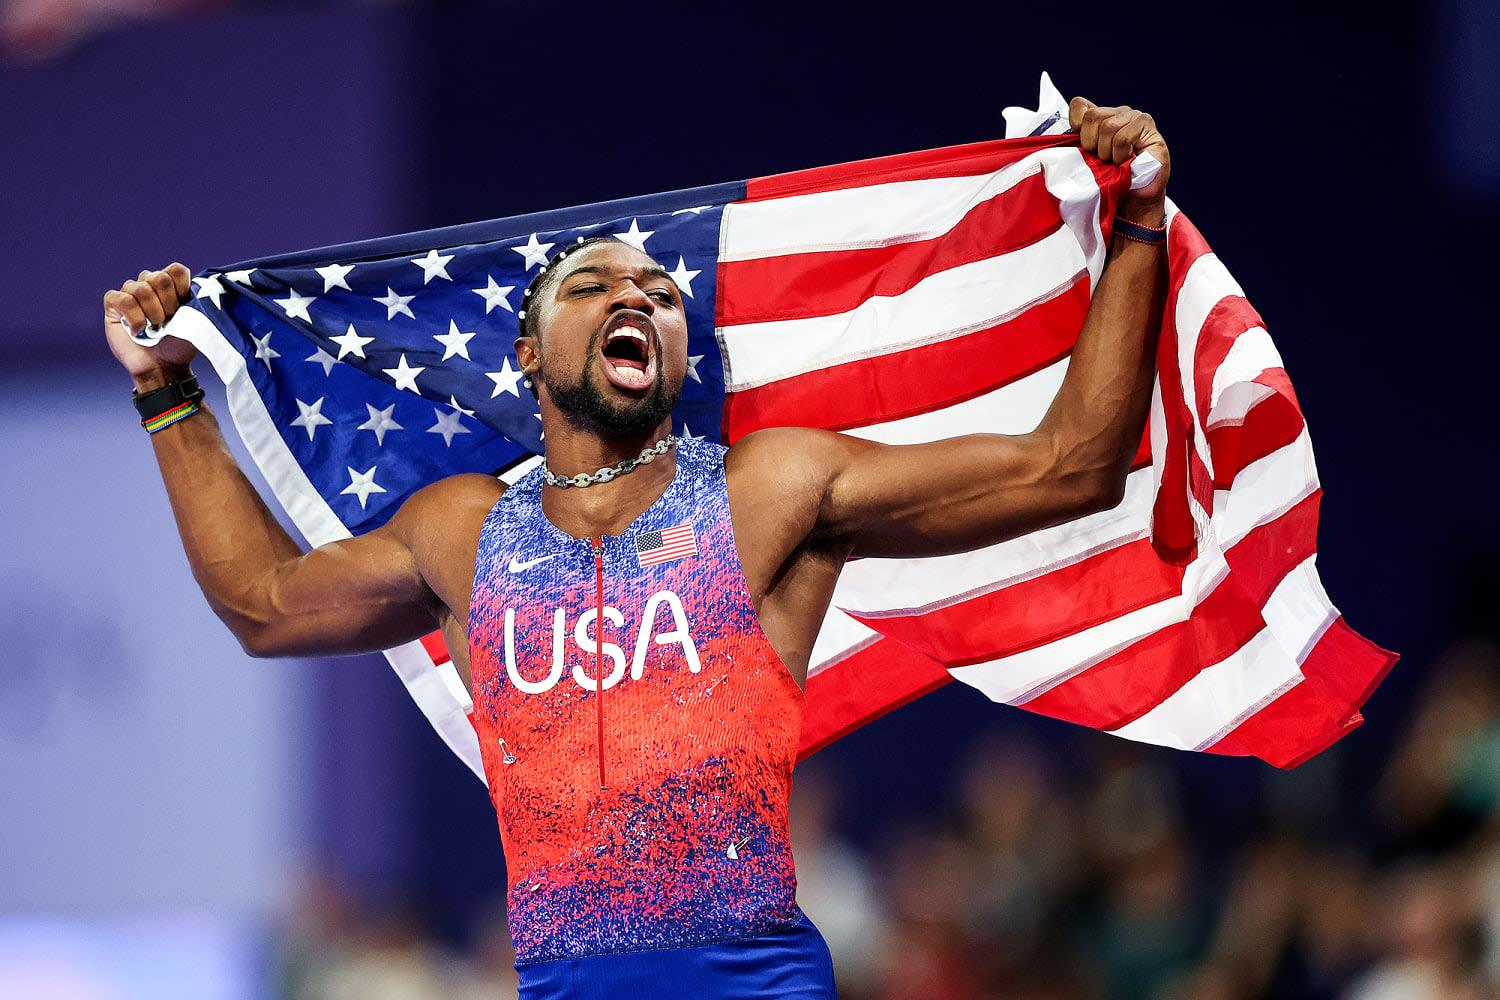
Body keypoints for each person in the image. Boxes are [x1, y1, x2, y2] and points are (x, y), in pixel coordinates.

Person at [102, 98, 1170, 1000]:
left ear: (676, 349)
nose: (635, 298)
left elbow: (1069, 465)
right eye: (593, 286)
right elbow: (260, 603)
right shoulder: (460, 533)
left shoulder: (771, 489)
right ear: (528, 354)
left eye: (661, 295)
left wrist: (1135, 225)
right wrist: (166, 391)